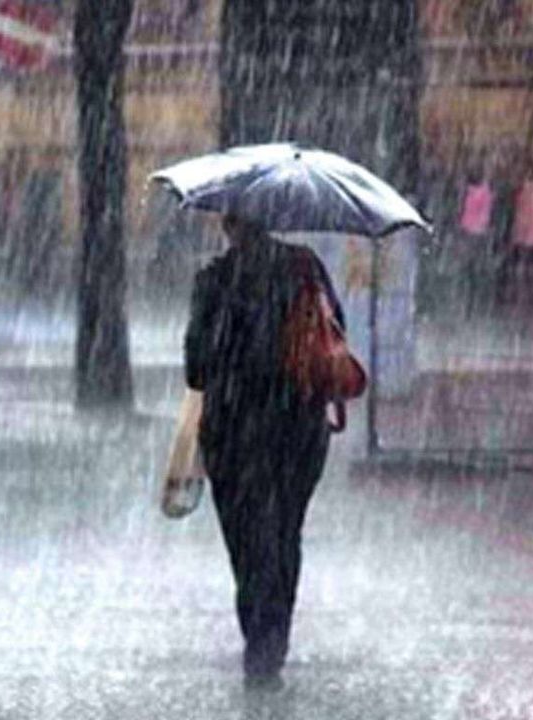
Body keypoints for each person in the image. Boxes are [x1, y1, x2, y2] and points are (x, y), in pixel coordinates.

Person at [173, 213, 345, 688]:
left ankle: (260, 639)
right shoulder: (306, 267)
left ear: (228, 225)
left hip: (234, 432)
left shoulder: (213, 281)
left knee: (248, 543)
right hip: (299, 425)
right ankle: (273, 641)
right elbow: (336, 333)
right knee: (286, 532)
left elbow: (196, 370)